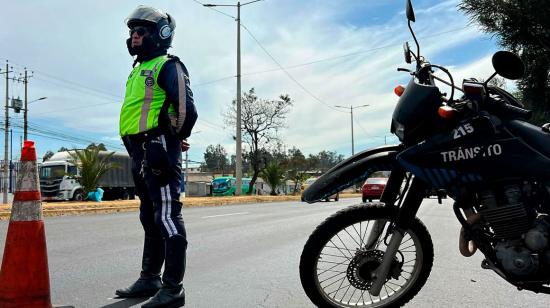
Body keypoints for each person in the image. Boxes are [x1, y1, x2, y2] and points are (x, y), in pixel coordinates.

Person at [116, 5, 197, 308]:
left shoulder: (168, 64)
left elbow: (186, 109)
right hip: (140, 152)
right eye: (132, 31)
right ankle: (149, 277)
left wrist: (172, 139)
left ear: (161, 34)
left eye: (141, 31)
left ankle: (173, 289)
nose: (135, 36)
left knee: (167, 217)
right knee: (149, 217)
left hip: (157, 149)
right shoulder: (138, 69)